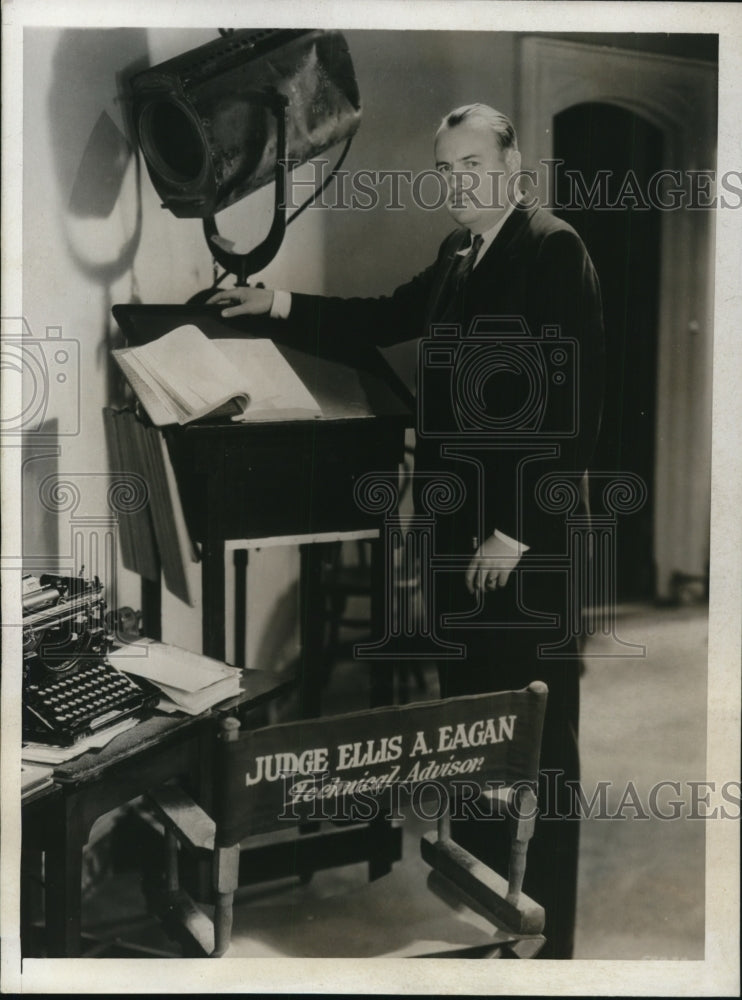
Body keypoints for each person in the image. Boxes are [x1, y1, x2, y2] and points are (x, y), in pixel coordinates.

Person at [208, 103, 605, 959]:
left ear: (512, 161)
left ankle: (553, 943)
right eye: (447, 168)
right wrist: (272, 302)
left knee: (536, 740)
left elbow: (576, 412)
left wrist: (518, 532)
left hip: (523, 545)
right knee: (475, 728)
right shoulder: (458, 254)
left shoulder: (551, 246)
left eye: (473, 163)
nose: (460, 181)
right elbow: (381, 316)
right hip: (460, 532)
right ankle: (485, 914)